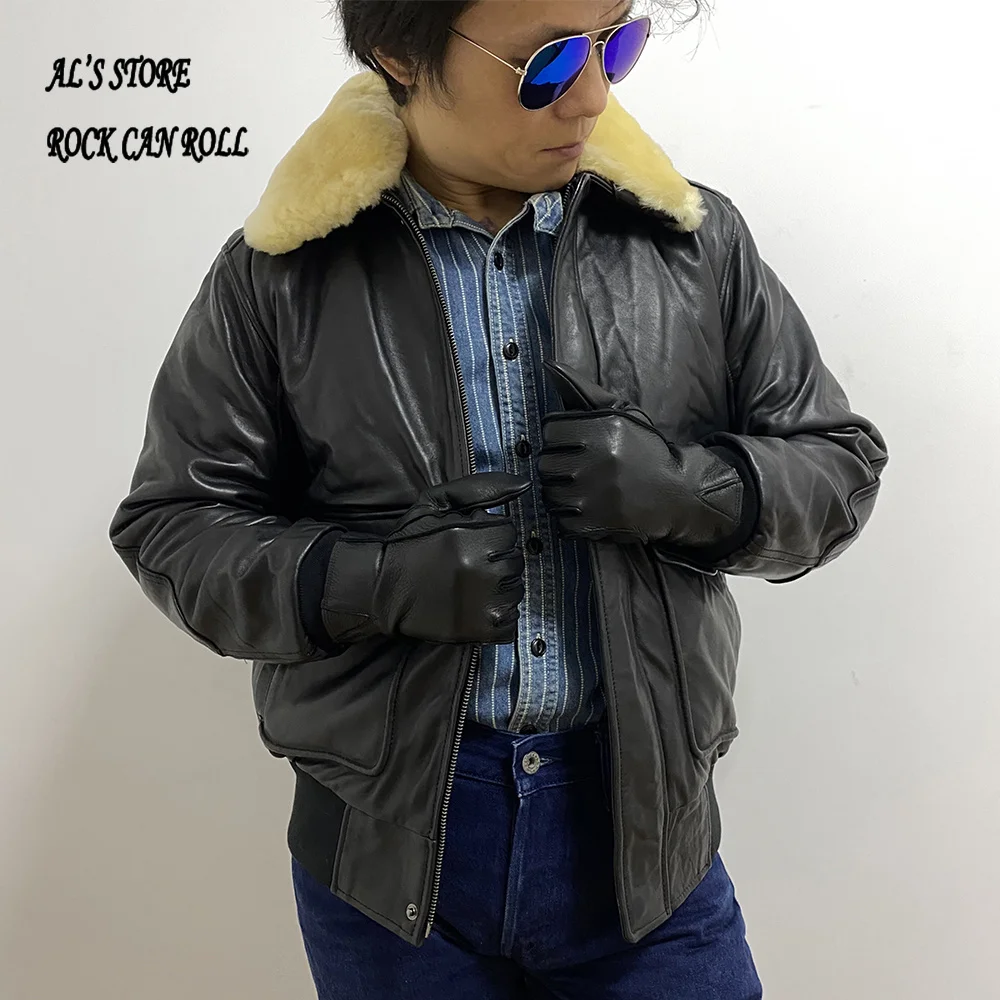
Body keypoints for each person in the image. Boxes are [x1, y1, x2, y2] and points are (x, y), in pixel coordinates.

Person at [108, 1, 889, 996]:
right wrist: (369, 582)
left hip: (647, 839)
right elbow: (173, 525)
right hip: (387, 859)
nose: (593, 96)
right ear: (399, 49)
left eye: (617, 43)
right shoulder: (279, 276)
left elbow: (837, 461)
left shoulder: (694, 244)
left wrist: (692, 490)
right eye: (548, 61)